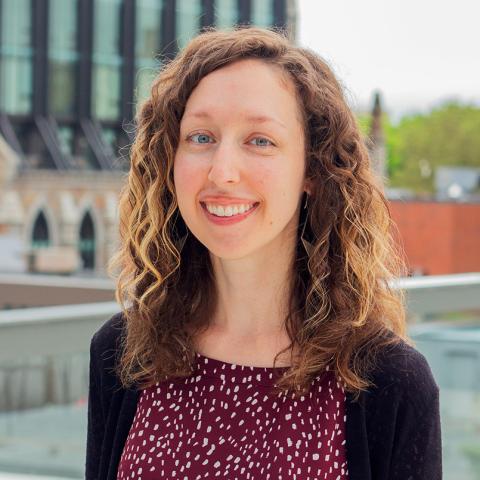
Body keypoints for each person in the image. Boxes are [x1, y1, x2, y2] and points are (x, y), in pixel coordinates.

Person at [85, 27, 441, 480]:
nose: (223, 171)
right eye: (200, 137)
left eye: (260, 140)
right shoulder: (123, 350)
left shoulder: (388, 380)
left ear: (312, 170)